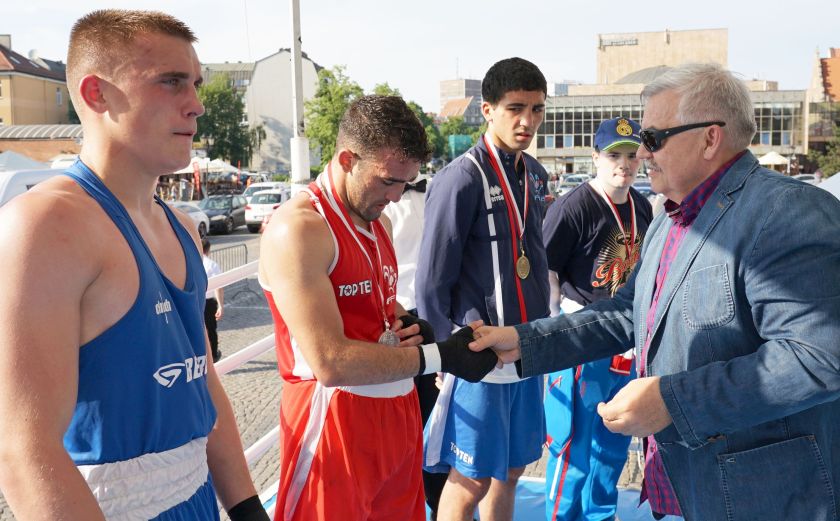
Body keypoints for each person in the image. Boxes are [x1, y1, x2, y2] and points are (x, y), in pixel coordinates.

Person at [469, 63, 840, 521]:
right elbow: (630, 312)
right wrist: (524, 341)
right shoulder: (669, 217)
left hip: (763, 497)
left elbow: (817, 358)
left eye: (653, 138)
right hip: (691, 488)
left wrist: (672, 401)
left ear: (710, 138)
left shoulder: (787, 211)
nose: (642, 154)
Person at [0, 9, 268, 521]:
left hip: (198, 499)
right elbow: (23, 451)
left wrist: (247, 507)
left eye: (195, 84)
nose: (197, 105)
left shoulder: (181, 226)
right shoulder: (45, 227)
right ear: (97, 94)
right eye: (171, 82)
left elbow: (201, 380)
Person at [258, 95, 498, 521]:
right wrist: (440, 355)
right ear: (347, 159)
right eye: (388, 180)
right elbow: (329, 362)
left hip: (397, 407)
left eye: (406, 182)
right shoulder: (299, 229)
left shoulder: (379, 220)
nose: (397, 195)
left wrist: (410, 323)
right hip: (334, 414)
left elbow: (375, 301)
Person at [416, 57, 551, 521]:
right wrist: (442, 355)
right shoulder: (461, 177)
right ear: (488, 109)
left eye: (537, 109)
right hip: (480, 354)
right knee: (470, 478)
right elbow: (432, 279)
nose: (527, 121)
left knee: (512, 468)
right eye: (516, 108)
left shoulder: (534, 174)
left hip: (527, 346)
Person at [541, 117, 653, 521]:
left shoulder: (643, 206)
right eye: (613, 155)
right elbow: (545, 272)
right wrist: (556, 331)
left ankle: (601, 515)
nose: (624, 164)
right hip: (582, 338)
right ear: (595, 158)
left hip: (626, 340)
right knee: (572, 443)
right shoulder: (573, 207)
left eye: (631, 155)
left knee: (613, 442)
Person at [382, 174, 450, 518]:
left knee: (437, 418)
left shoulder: (439, 189)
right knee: (400, 423)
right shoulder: (378, 200)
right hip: (396, 319)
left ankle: (442, 504)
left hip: (436, 317)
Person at [202, 237, 224, 361]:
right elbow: (218, 287)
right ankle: (214, 355)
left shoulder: (191, 263)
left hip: (195, 302)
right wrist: (220, 305)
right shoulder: (211, 264)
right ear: (208, 250)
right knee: (211, 330)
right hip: (208, 302)